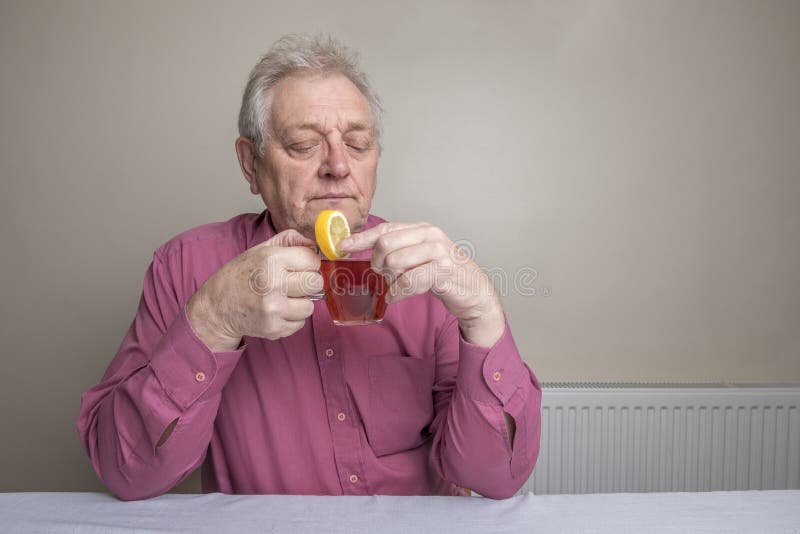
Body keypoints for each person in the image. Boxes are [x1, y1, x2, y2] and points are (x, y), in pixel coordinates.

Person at [77, 34, 542, 501]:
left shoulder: (425, 270)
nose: (338, 166)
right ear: (250, 164)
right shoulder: (185, 266)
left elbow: (495, 479)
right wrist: (213, 319)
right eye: (304, 145)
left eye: (358, 145)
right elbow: (127, 473)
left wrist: (483, 314)